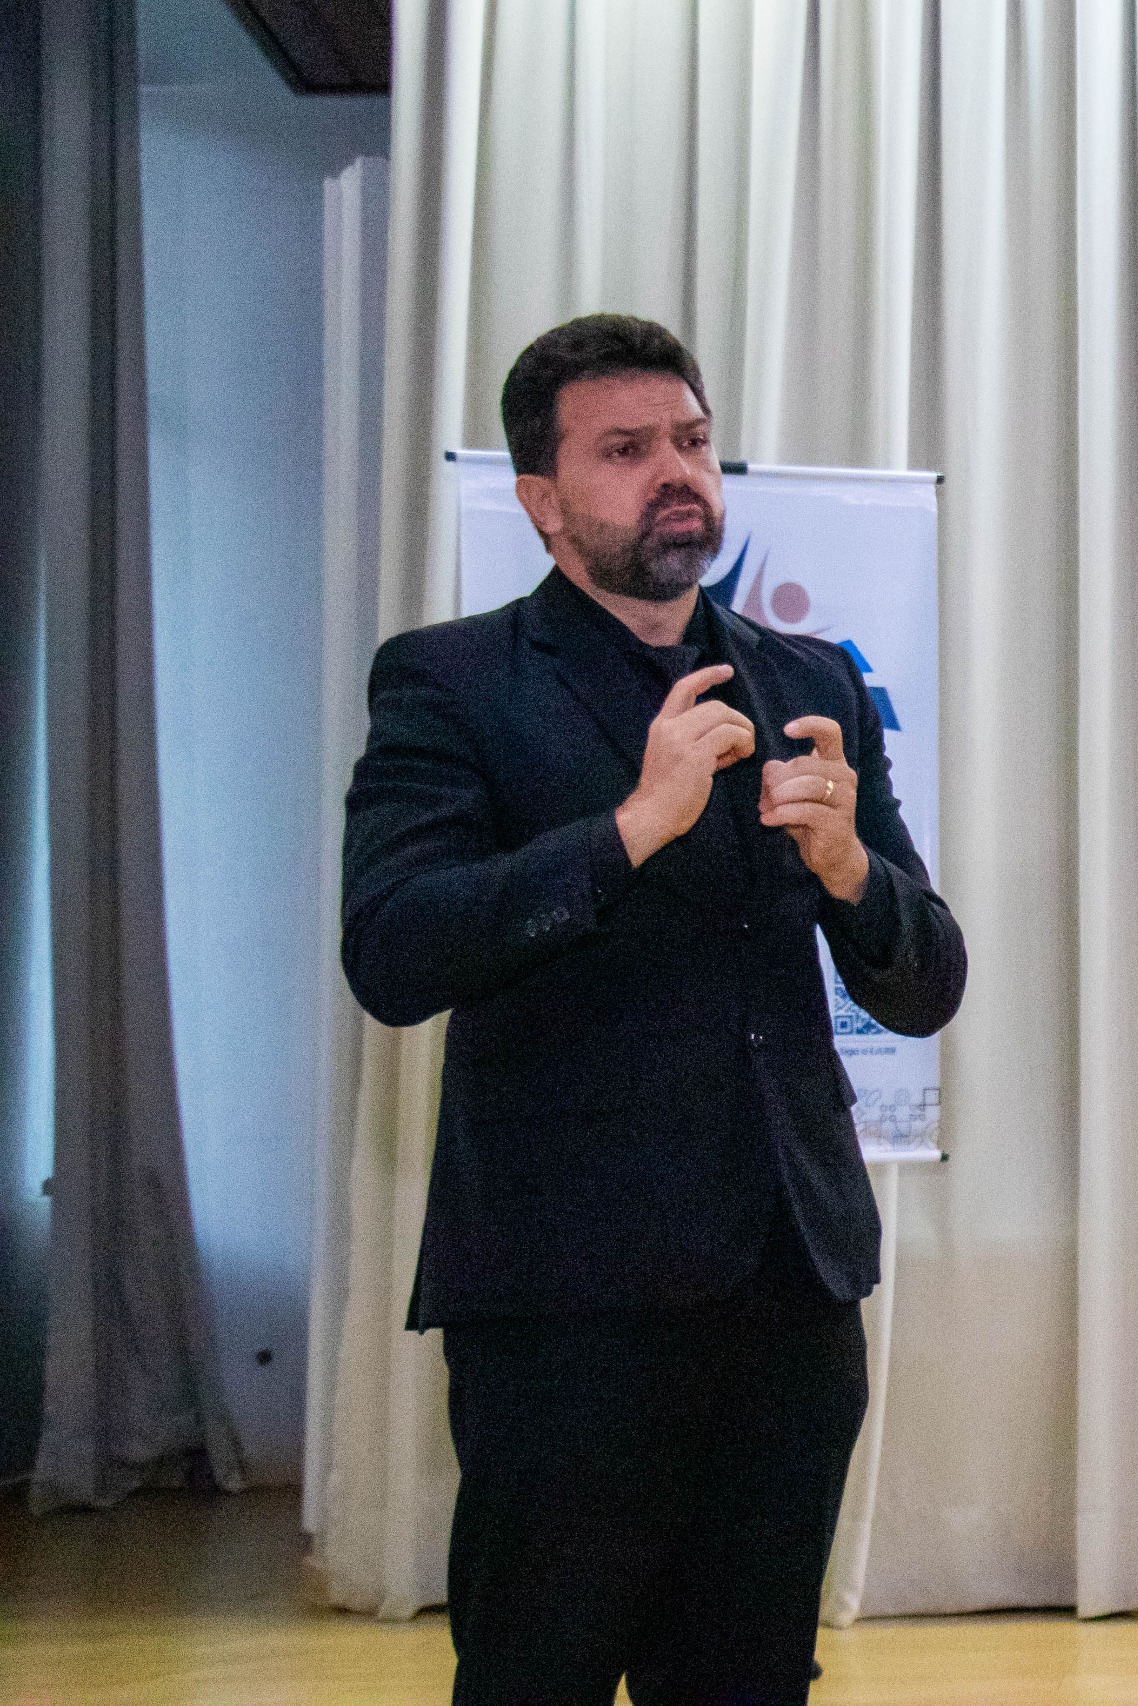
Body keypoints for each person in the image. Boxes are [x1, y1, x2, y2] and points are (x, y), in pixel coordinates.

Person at [341, 314, 965, 1705]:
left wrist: (855, 870)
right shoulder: (453, 681)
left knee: (751, 1678)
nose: (674, 471)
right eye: (625, 450)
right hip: (568, 1299)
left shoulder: (814, 684)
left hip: (787, 1286)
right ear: (542, 501)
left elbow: (925, 982)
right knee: (536, 1672)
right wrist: (631, 827)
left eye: (689, 440)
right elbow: (391, 949)